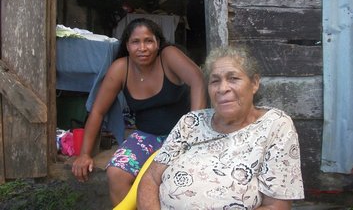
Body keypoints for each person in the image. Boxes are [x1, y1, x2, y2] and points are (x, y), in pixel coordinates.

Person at [137, 45, 305, 209]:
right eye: (215, 81)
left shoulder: (275, 125)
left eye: (233, 78)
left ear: (254, 83)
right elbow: (151, 178)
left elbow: (276, 206)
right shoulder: (191, 122)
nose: (222, 88)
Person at [71, 18, 207, 206]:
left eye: (148, 41)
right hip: (147, 137)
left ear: (158, 43)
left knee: (177, 177)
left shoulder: (168, 56)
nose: (142, 48)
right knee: (116, 172)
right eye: (135, 42)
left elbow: (198, 79)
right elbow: (97, 111)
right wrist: (84, 154)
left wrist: (194, 134)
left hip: (182, 134)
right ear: (127, 45)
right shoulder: (121, 69)